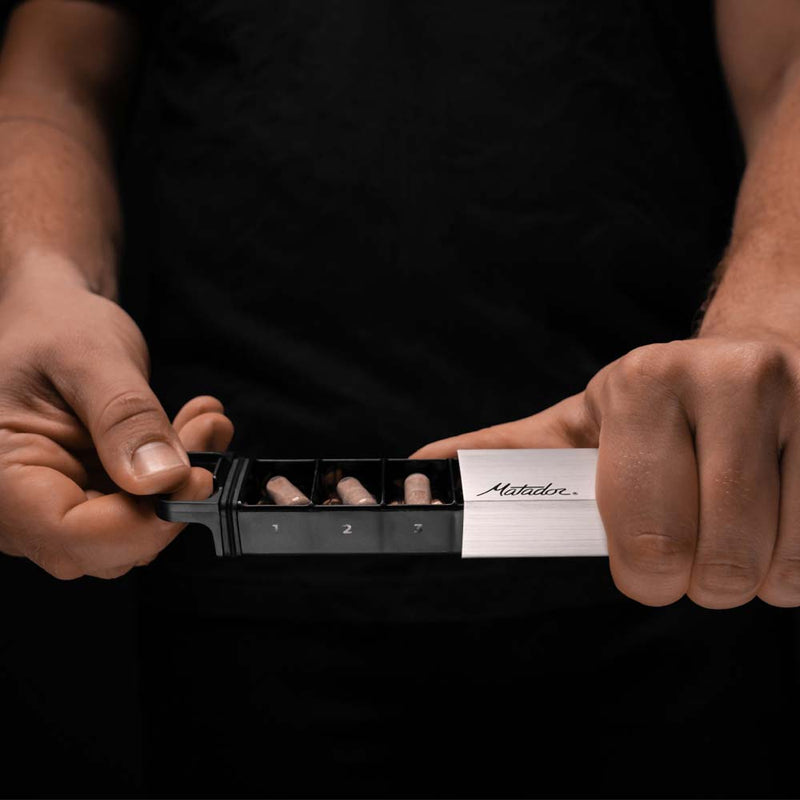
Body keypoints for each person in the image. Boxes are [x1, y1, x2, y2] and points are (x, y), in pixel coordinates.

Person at [0, 0, 799, 796]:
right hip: (242, 569)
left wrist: (766, 323)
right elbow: (60, 59)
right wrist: (38, 272)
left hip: (680, 523)